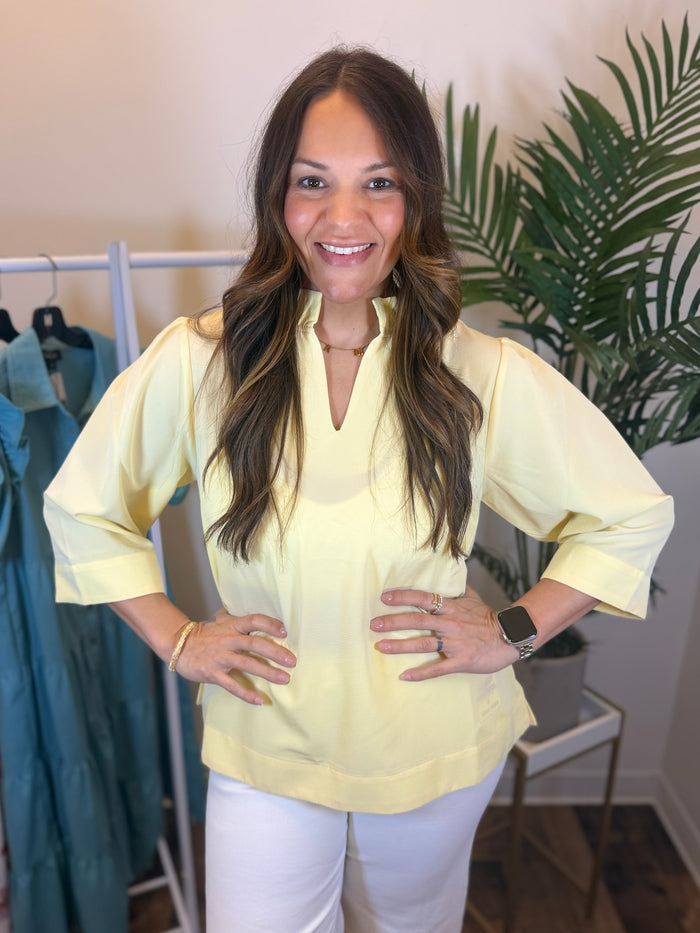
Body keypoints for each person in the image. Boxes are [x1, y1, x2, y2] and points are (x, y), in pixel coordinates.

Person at [44, 47, 674, 933]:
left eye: (379, 182)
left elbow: (629, 514)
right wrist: (179, 637)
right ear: (278, 196)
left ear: (415, 199)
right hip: (266, 742)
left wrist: (513, 628)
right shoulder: (202, 360)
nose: (345, 217)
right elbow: (83, 505)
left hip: (432, 751)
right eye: (313, 181)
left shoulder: (477, 372)